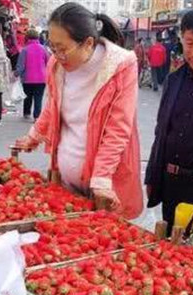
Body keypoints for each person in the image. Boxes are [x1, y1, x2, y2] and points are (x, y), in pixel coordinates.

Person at [14, 2, 142, 219]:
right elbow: (52, 107)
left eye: (63, 49)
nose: (57, 55)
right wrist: (33, 136)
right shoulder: (56, 65)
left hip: (107, 181)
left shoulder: (121, 66)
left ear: (88, 43)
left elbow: (118, 130)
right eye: (52, 47)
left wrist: (101, 179)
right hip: (66, 178)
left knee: (106, 242)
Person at [145, 7, 193, 231]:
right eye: (190, 43)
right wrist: (152, 174)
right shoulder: (173, 80)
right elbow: (161, 131)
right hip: (170, 182)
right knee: (169, 244)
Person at [16, 28, 49, 121]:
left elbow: (21, 65)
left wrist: (16, 73)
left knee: (28, 96)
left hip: (27, 79)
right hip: (41, 79)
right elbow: (48, 62)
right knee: (38, 98)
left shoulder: (25, 50)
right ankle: (37, 116)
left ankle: (27, 113)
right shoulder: (43, 49)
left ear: (27, 38)